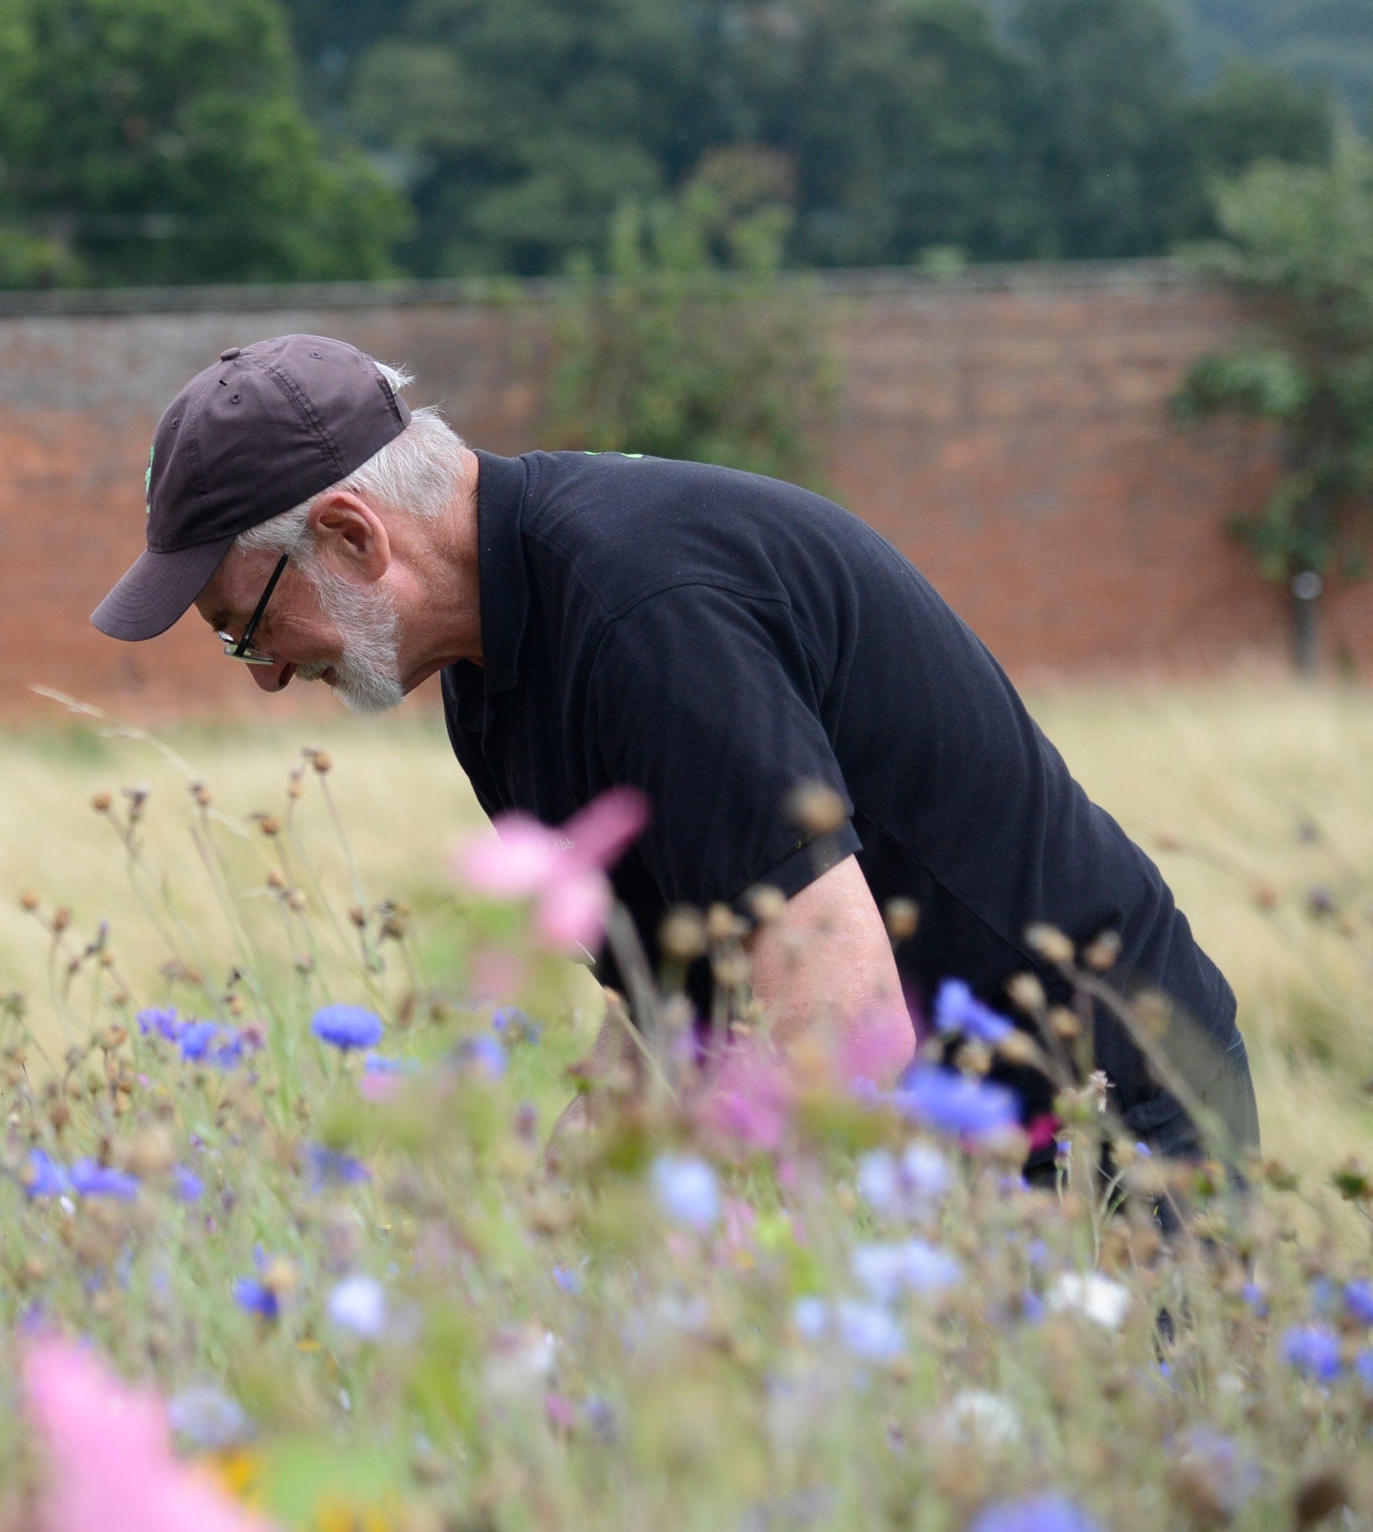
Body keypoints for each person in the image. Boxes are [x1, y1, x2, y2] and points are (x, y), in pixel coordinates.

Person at [89, 334, 1257, 1159]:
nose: (273, 669)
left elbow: (839, 1013)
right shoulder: (493, 668)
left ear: (350, 536)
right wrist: (560, 1234)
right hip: (941, 1129)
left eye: (247, 626)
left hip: (1095, 1123)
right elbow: (666, 1010)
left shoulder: (645, 619)